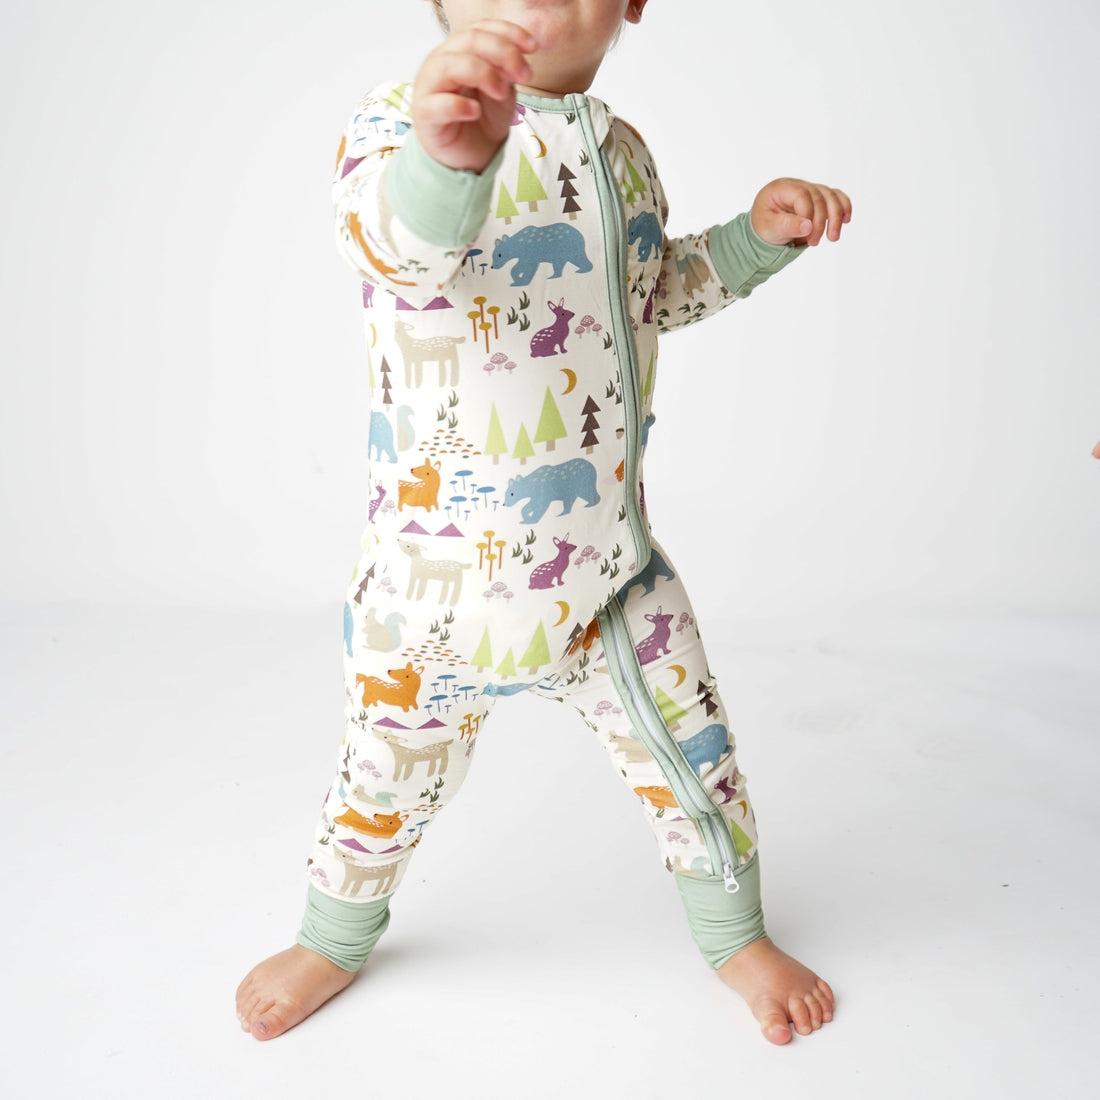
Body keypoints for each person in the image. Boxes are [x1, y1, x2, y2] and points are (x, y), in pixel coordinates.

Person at [236, 0, 852, 1046]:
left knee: (697, 759)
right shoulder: (399, 123)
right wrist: (445, 161)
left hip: (609, 574)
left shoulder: (624, 155)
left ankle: (734, 932)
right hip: (431, 595)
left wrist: (756, 238)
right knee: (382, 776)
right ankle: (333, 935)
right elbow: (393, 249)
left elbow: (652, 291)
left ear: (631, 4)